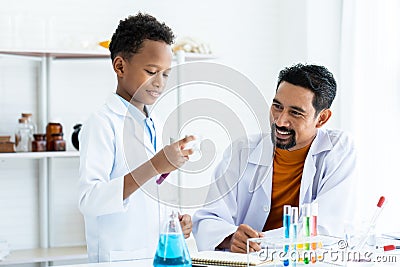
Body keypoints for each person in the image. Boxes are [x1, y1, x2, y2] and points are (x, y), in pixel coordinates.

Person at [192, 63, 356, 253]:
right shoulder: (242, 151)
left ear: (322, 118)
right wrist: (230, 238)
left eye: (295, 113)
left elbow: (323, 229)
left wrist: (256, 242)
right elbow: (207, 219)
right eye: (277, 106)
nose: (280, 121)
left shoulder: (338, 149)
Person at [78, 13, 195, 262]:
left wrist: (176, 220)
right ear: (120, 66)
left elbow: (153, 193)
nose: (159, 83)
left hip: (156, 254)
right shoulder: (102, 123)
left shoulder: (157, 122)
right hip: (120, 258)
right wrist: (154, 166)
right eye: (151, 71)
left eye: (165, 74)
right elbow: (89, 201)